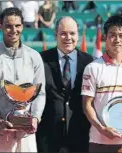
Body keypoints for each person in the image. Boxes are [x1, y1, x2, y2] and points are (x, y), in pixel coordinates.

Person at [0, 7, 46, 152]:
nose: (13, 30)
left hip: (26, 136)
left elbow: (40, 93)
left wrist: (35, 117)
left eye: (17, 26)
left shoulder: (34, 56)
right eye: (8, 26)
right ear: (0, 26)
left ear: (22, 26)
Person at [81, 15, 122, 152]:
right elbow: (87, 105)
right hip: (99, 141)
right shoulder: (92, 68)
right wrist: (102, 129)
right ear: (105, 37)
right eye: (112, 35)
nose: (117, 40)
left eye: (121, 35)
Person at [36, 16, 94, 152]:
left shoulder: (89, 62)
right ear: (55, 35)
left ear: (78, 35)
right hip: (48, 137)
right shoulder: (40, 60)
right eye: (63, 33)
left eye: (72, 33)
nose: (68, 37)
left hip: (80, 136)